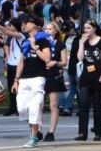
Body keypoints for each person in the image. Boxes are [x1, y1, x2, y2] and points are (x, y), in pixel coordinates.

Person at [13, 15, 52, 148]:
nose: (24, 25)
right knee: (22, 108)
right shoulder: (24, 42)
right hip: (24, 78)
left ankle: (33, 136)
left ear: (34, 24)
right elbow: (21, 61)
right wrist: (16, 80)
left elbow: (47, 59)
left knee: (34, 108)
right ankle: (35, 128)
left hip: (38, 77)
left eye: (26, 23)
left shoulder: (44, 40)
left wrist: (35, 47)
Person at [75, 20, 101, 141]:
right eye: (85, 28)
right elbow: (80, 58)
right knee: (83, 104)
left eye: (89, 28)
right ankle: (82, 133)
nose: (86, 30)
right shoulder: (83, 41)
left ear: (94, 29)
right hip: (86, 76)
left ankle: (98, 132)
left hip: (98, 75)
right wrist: (81, 43)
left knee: (97, 105)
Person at [41, 21, 67, 141]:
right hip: (41, 75)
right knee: (39, 105)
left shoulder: (60, 44)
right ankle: (38, 131)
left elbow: (64, 62)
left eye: (50, 29)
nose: (47, 31)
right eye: (46, 29)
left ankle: (51, 132)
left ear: (55, 31)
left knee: (54, 105)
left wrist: (55, 63)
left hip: (54, 75)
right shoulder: (40, 43)